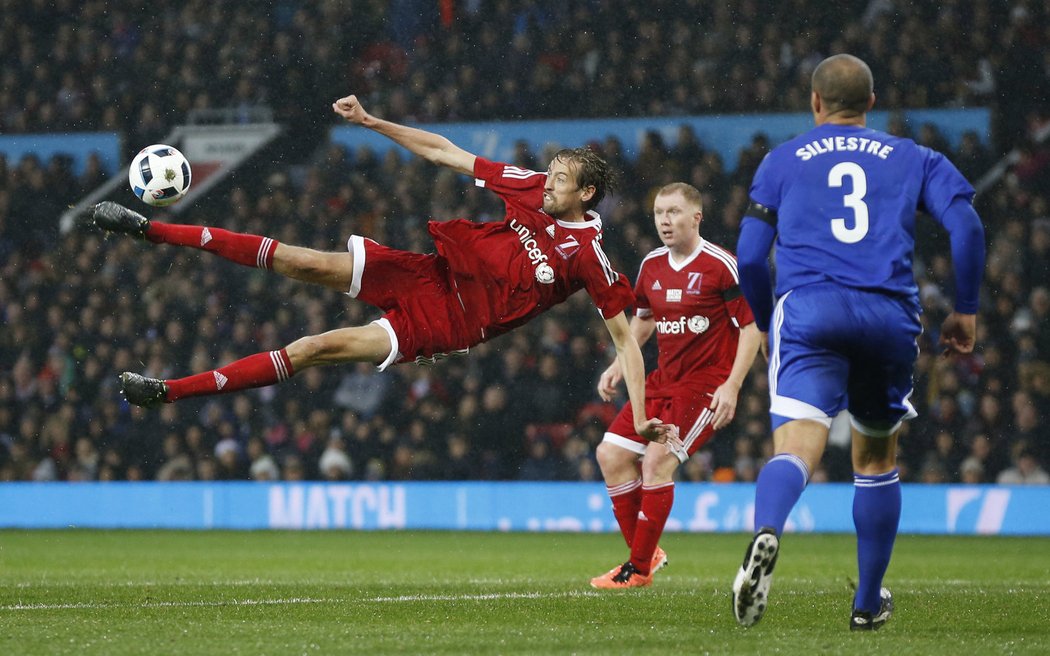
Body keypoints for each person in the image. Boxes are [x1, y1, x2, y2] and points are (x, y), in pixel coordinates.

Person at [91, 94, 675, 450]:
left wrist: (642, 416)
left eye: (559, 181)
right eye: (547, 174)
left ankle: (167, 393)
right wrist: (372, 122)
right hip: (431, 273)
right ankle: (147, 228)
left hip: (450, 322)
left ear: (587, 193)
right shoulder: (529, 188)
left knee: (316, 345)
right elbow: (446, 151)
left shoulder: (590, 259)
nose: (544, 183)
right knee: (302, 259)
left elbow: (625, 342)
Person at [732, 54, 985, 630]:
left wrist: (767, 318)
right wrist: (965, 310)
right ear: (871, 103)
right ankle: (868, 605)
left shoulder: (782, 159)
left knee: (796, 447)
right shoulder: (914, 156)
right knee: (874, 458)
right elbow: (967, 226)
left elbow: (749, 255)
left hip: (811, 310)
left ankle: (769, 529)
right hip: (887, 314)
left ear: (815, 103)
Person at [589, 182, 760, 589]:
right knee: (610, 455)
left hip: (703, 388)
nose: (665, 221)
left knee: (656, 462)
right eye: (659, 213)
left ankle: (637, 569)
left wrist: (732, 385)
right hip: (661, 382)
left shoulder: (722, 265)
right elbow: (645, 319)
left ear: (696, 217)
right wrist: (618, 362)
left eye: (674, 212)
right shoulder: (651, 266)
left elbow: (752, 328)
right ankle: (646, 555)